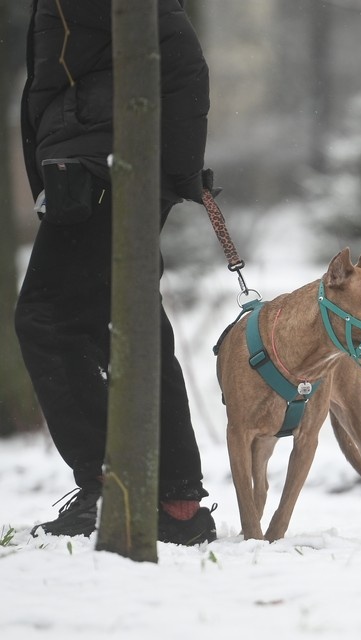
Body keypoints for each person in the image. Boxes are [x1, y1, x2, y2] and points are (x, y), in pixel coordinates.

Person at [15, 0, 216, 545]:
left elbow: (182, 59)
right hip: (94, 161)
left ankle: (111, 487)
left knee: (47, 319)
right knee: (130, 320)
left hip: (104, 163)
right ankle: (176, 501)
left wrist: (169, 175)